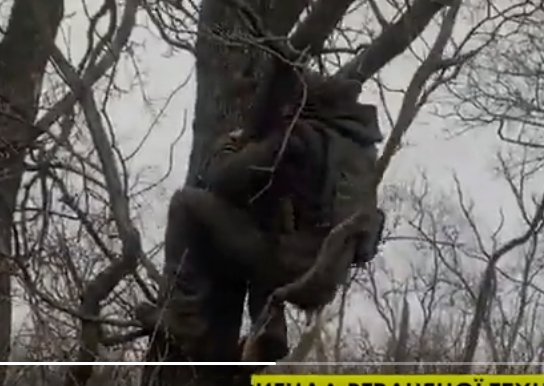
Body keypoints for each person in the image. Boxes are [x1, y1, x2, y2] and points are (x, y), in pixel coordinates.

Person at [157, 70, 384, 362]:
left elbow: (221, 179)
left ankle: (184, 319)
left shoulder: (299, 137)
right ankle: (269, 328)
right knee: (271, 206)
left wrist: (231, 145)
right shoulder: (362, 155)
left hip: (284, 264)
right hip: (323, 276)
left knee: (185, 205)